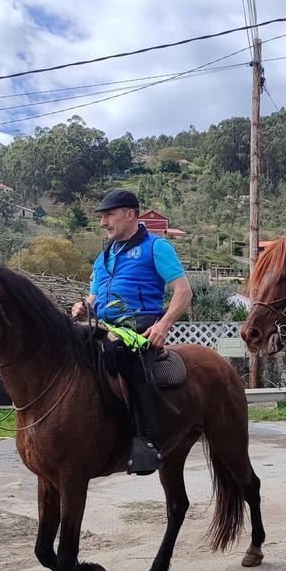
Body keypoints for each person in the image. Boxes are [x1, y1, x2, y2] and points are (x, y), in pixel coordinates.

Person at [72, 189, 192, 475]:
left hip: (139, 324)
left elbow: (183, 291)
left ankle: (148, 440)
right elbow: (92, 299)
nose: (103, 222)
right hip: (102, 325)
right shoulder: (103, 257)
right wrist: (83, 308)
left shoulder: (156, 247)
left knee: (117, 352)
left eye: (109, 215)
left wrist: (163, 325)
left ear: (130, 214)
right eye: (102, 217)